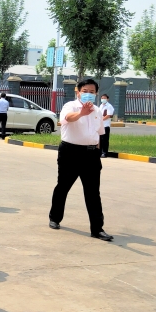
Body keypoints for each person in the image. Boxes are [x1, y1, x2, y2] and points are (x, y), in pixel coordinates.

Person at [48, 78, 113, 242]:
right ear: (78, 91)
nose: (88, 94)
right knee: (63, 186)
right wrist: (81, 114)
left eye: (92, 92)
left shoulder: (97, 111)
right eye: (85, 91)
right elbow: (67, 118)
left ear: (96, 93)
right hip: (70, 152)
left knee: (93, 192)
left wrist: (97, 153)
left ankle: (97, 229)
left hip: (91, 155)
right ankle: (55, 218)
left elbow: (99, 134)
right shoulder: (70, 106)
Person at [98, 93, 115, 158]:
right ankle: (100, 152)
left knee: (105, 140)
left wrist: (101, 120)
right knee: (100, 139)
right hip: (100, 125)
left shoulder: (109, 106)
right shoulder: (101, 105)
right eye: (102, 98)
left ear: (107, 99)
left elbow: (108, 115)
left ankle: (104, 153)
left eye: (104, 98)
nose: (103, 99)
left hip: (105, 125)